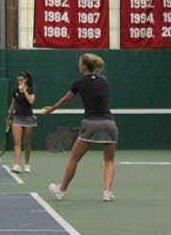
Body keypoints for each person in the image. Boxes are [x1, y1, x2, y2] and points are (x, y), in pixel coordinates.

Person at [43, 53, 118, 202]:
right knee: (109, 160)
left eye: (80, 63)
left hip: (90, 123)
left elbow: (66, 99)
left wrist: (52, 108)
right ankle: (107, 192)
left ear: (84, 66)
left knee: (74, 158)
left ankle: (61, 190)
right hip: (110, 123)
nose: (79, 65)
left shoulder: (78, 83)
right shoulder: (104, 81)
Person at [8, 71, 37, 173]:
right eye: (18, 80)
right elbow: (12, 106)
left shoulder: (31, 89)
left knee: (27, 144)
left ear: (26, 80)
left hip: (28, 118)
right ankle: (16, 165)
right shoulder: (15, 91)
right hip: (17, 118)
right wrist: (8, 118)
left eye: (21, 80)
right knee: (17, 143)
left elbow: (31, 101)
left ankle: (27, 164)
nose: (19, 82)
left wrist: (25, 91)